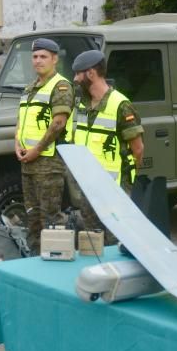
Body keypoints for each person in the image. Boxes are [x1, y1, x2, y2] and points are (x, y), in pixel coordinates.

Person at [67, 49, 145, 241]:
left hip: (113, 191)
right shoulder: (82, 104)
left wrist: (125, 183)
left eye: (78, 73)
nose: (75, 79)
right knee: (91, 240)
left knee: (114, 240)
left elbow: (138, 149)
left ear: (91, 73)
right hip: (88, 188)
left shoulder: (121, 105)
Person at [15, 38, 75, 253]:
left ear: (54, 59)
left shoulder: (60, 86)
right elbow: (21, 119)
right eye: (35, 56)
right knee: (32, 215)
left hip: (48, 163)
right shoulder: (29, 88)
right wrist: (17, 144)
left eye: (43, 57)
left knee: (50, 216)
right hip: (28, 163)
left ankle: (56, 259)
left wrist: (36, 150)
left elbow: (58, 123)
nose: (38, 61)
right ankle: (34, 259)